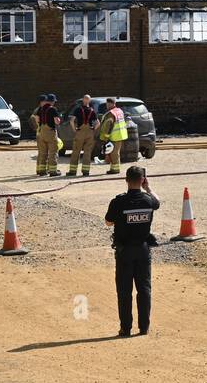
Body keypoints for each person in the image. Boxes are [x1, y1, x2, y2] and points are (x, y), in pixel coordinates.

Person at [104, 166, 160, 337]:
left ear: (126, 180)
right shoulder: (149, 200)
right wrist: (148, 188)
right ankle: (144, 328)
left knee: (124, 291)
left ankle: (126, 328)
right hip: (143, 250)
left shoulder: (118, 202)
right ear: (142, 180)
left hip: (124, 251)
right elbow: (158, 202)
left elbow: (108, 222)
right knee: (144, 289)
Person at [67, 94, 98, 177]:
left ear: (83, 100)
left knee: (76, 151)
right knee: (87, 152)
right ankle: (86, 172)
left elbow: (71, 121)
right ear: (89, 101)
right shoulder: (92, 110)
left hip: (80, 131)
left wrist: (74, 130)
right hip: (90, 132)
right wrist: (93, 130)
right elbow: (98, 123)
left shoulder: (78, 109)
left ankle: (72, 171)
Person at [31, 93, 61, 177]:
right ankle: (53, 171)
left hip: (41, 132)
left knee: (43, 152)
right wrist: (59, 121)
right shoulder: (53, 109)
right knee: (52, 152)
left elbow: (37, 119)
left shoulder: (40, 109)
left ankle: (41, 171)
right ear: (52, 101)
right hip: (50, 132)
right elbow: (56, 121)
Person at [98, 96, 128, 175]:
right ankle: (113, 168)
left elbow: (109, 125)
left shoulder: (111, 113)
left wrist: (106, 137)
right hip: (121, 135)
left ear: (111, 104)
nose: (107, 106)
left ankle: (115, 170)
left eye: (107, 104)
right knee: (115, 152)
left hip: (114, 136)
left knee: (114, 153)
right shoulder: (119, 111)